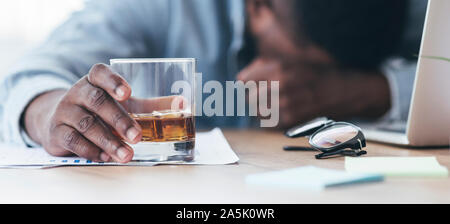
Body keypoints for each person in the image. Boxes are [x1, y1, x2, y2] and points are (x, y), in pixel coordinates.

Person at [0, 0, 423, 163]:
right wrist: (49, 112)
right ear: (259, 7)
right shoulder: (165, 8)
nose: (304, 82)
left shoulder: (401, 13)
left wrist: (360, 88)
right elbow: (31, 75)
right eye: (301, 63)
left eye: (327, 71)